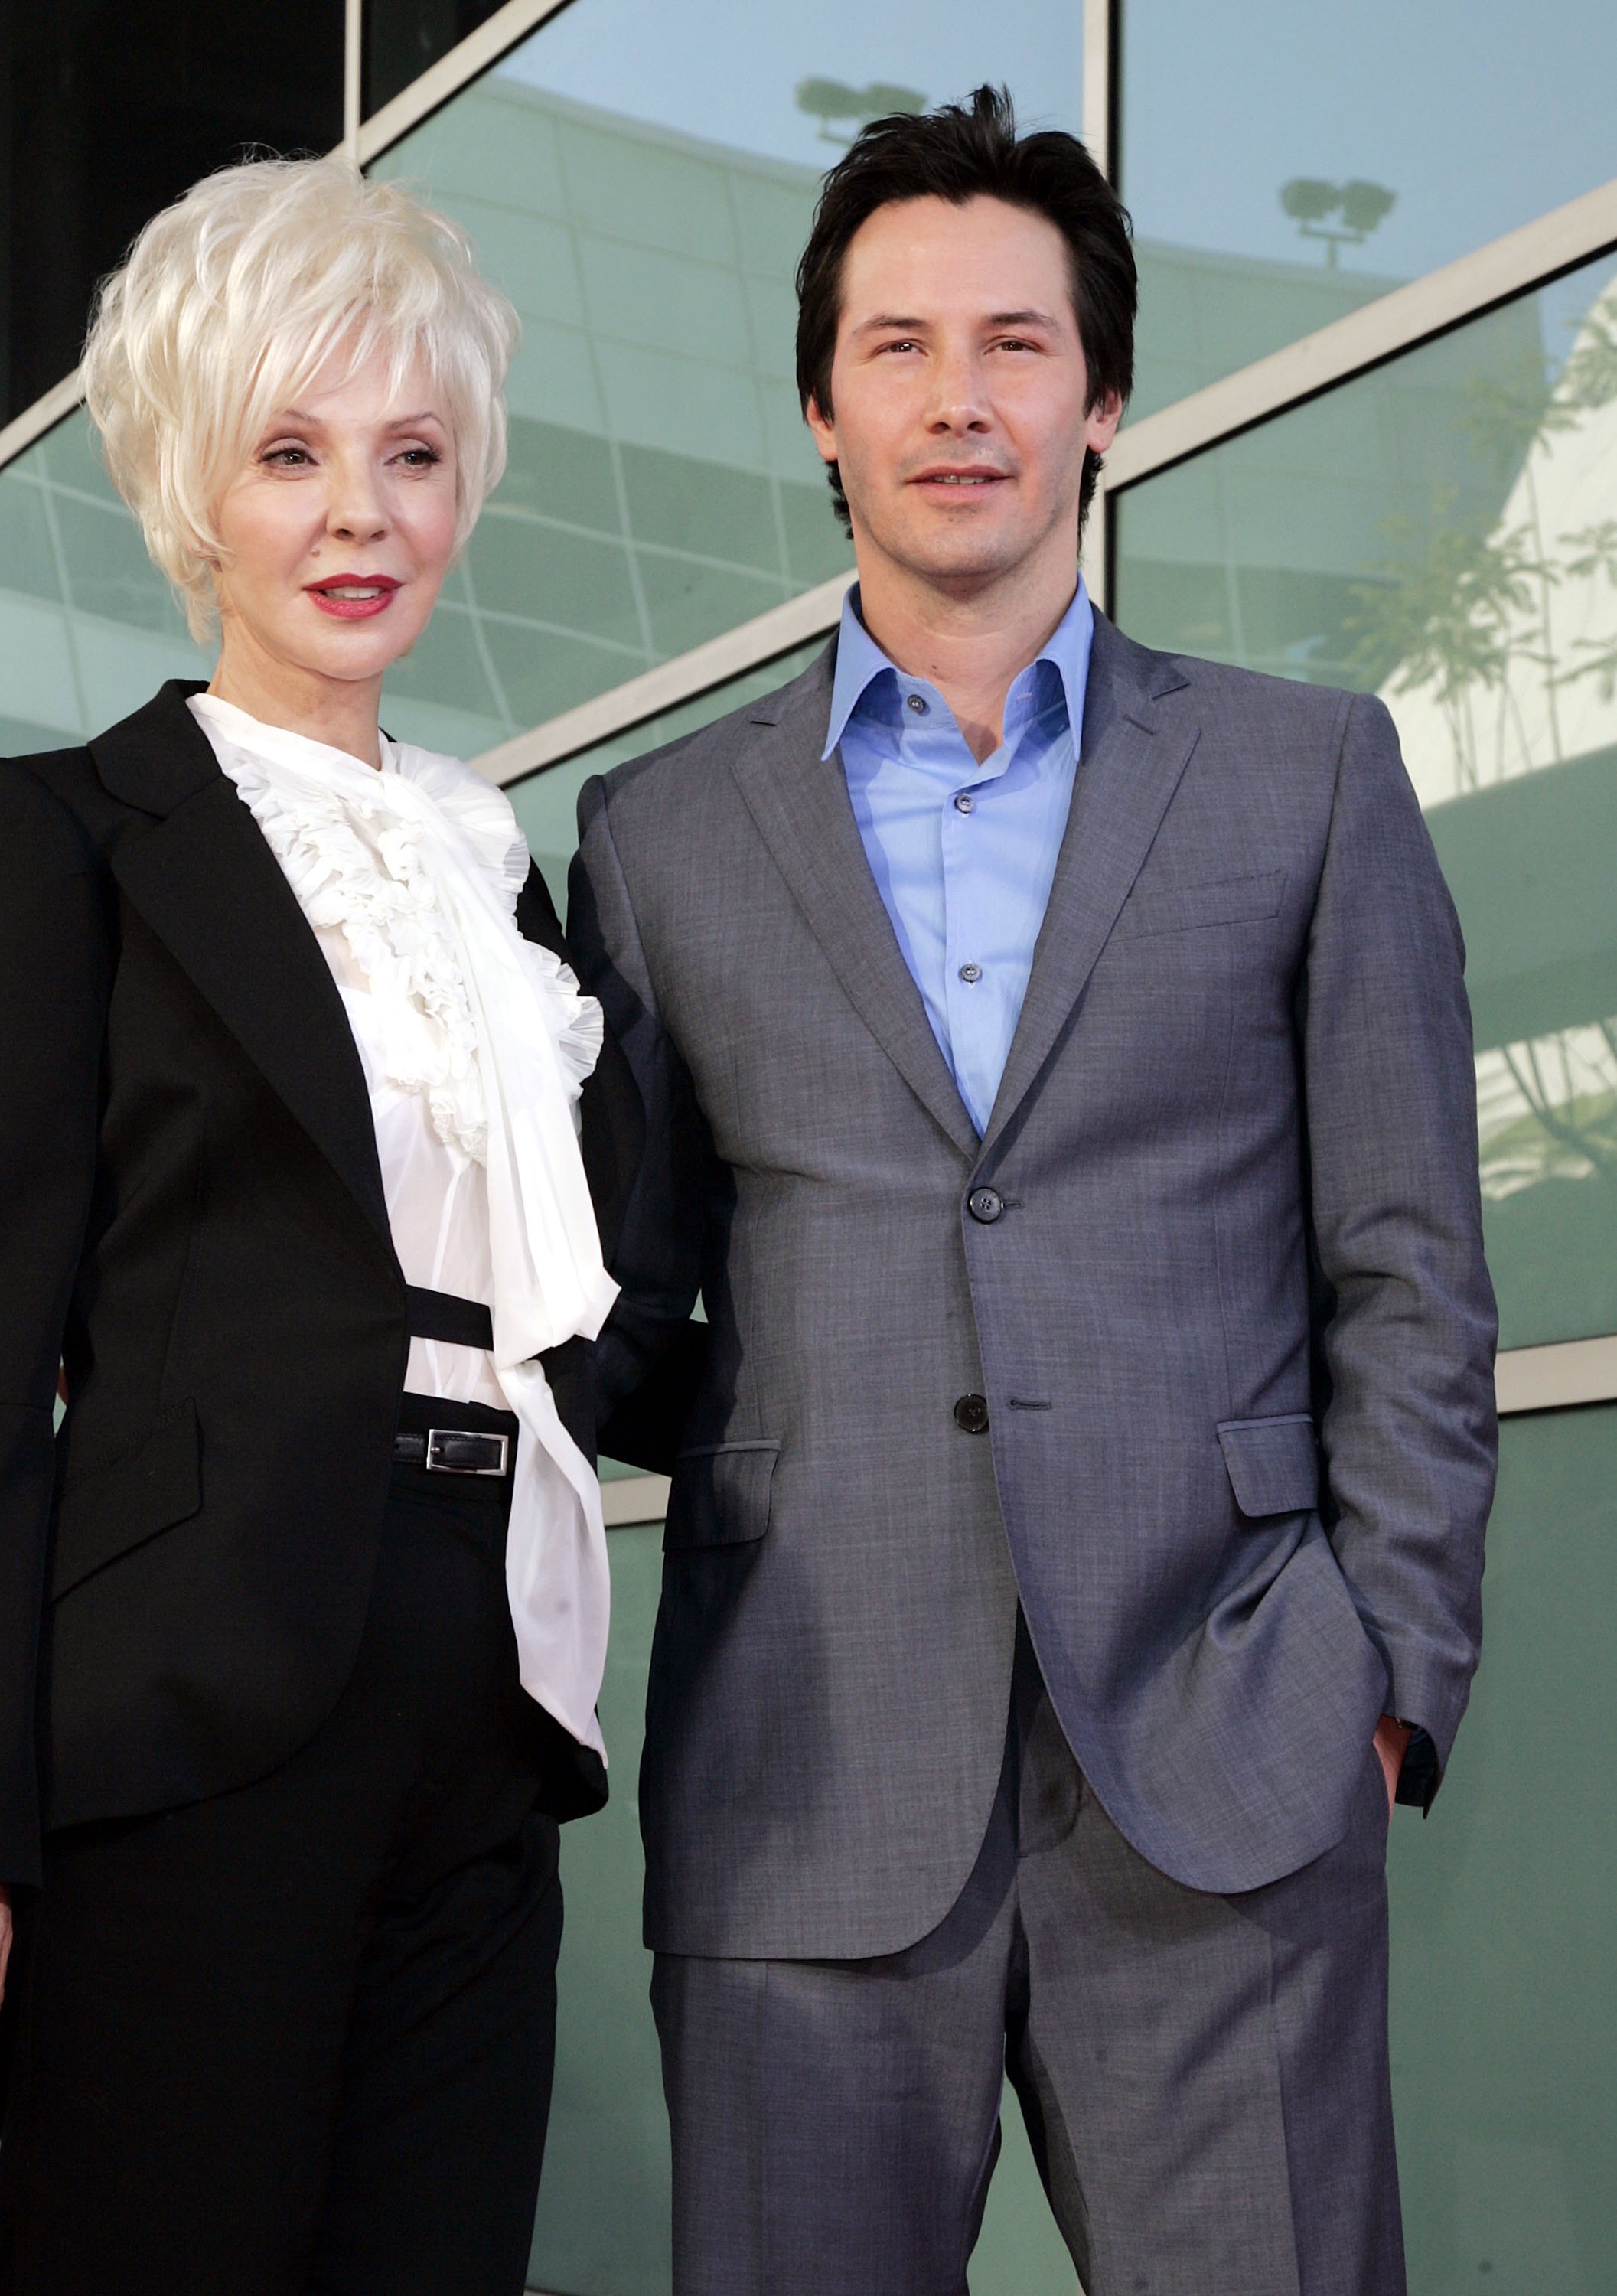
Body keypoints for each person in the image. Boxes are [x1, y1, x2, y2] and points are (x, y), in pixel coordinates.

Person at [569, 86, 1497, 2296]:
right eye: (896, 348)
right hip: (802, 1777)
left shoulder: (1308, 776)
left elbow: (1406, 1273)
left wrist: (1384, 1675)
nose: (955, 397)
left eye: (1012, 343)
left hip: (1229, 1766)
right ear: (817, 409)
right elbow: (622, 1304)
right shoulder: (655, 837)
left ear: (1102, 400)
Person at [0, 156, 619, 2296]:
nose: (358, 514)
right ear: (193, 482)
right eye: (290, 453)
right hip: (193, 1688)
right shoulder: (67, 837)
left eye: (411, 453)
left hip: (488, 1679)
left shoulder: (492, 878)